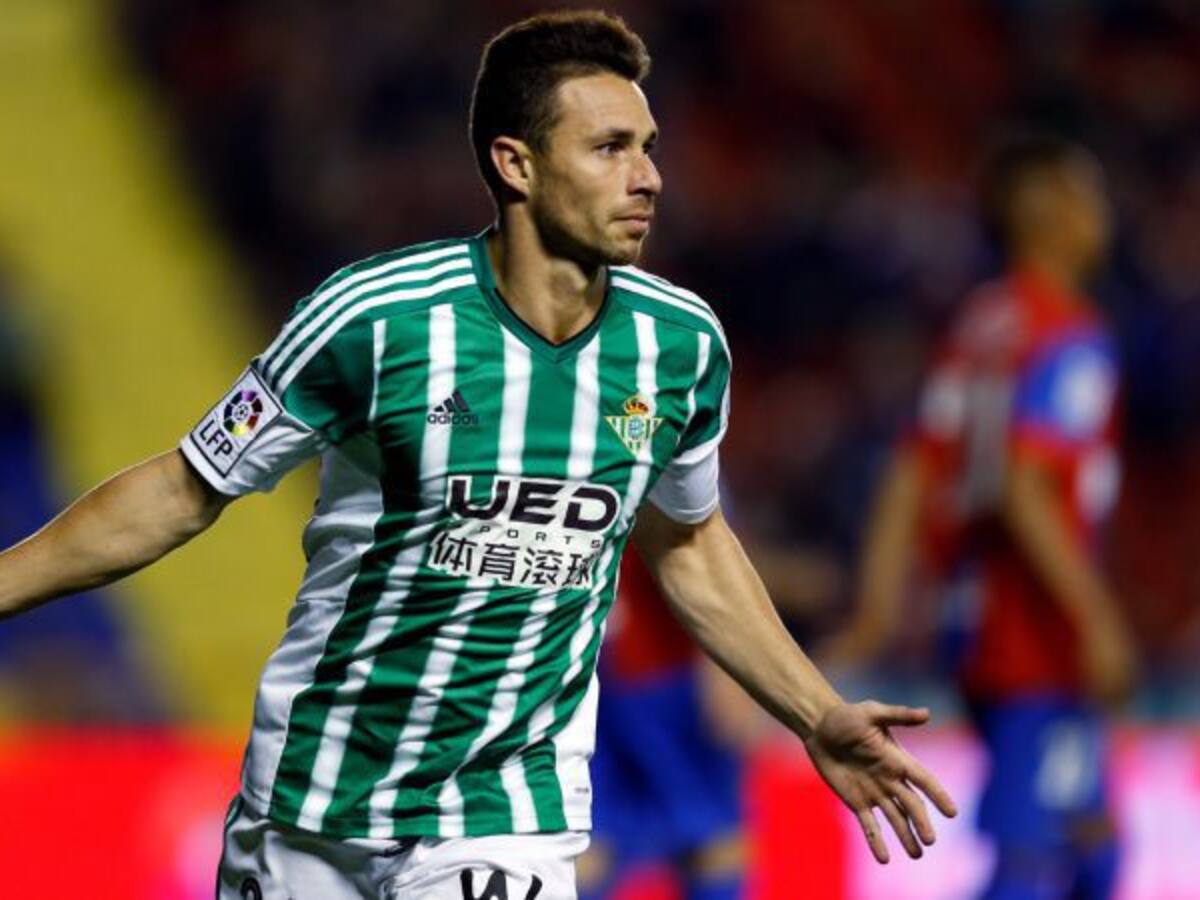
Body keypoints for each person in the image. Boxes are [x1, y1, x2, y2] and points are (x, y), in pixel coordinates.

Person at [0, 11, 955, 898]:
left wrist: (815, 711)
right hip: (313, 806)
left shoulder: (679, 349)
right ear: (516, 164)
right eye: (610, 148)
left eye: (649, 147)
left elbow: (690, 544)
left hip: (505, 816)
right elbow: (182, 487)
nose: (648, 177)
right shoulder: (373, 319)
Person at [829, 135, 1136, 899]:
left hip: (972, 624)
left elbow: (910, 470)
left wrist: (876, 609)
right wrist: (1096, 618)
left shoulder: (980, 325)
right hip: (1039, 639)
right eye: (1089, 197)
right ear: (1050, 216)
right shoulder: (1068, 334)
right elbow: (1026, 488)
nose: (1103, 215)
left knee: (1093, 846)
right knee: (1033, 860)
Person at [578, 546, 755, 900]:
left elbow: (707, 547)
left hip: (672, 679)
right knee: (585, 842)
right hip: (594, 680)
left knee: (711, 840)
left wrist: (729, 662)